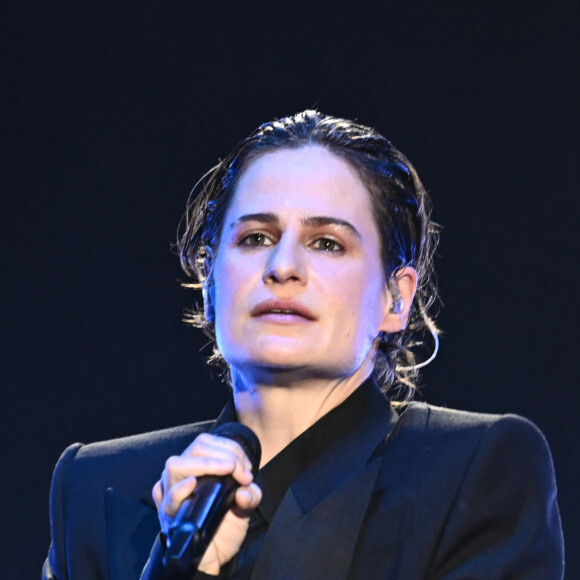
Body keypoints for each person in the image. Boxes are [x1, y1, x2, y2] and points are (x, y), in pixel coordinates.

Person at [43, 110, 564, 580]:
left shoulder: (475, 470)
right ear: (208, 284)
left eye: (327, 243)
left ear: (395, 298)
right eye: (255, 239)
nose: (283, 267)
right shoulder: (94, 486)